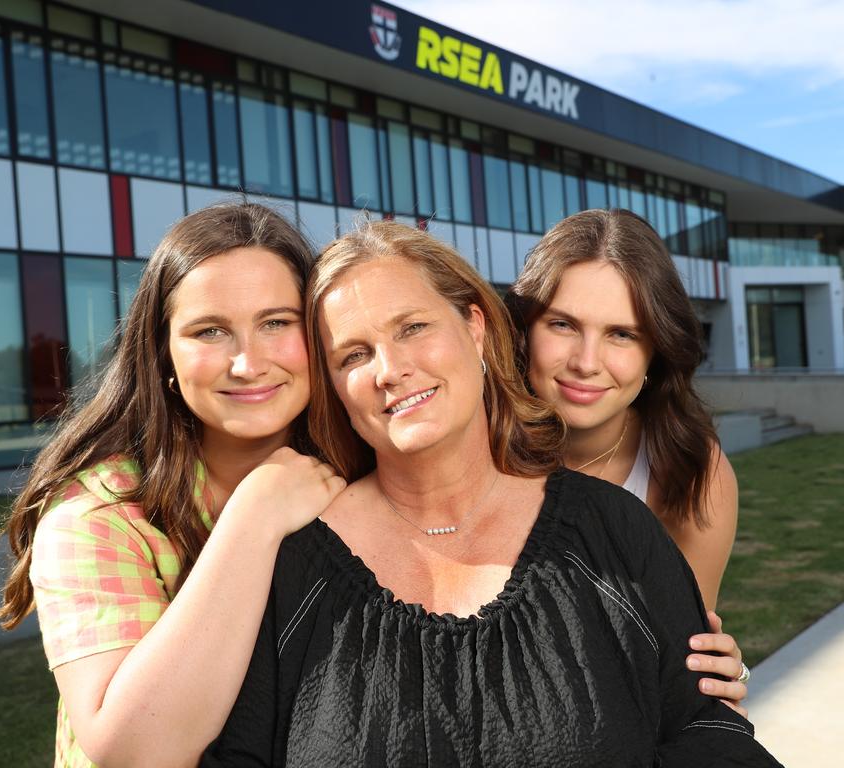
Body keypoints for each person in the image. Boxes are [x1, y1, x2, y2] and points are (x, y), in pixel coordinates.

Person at [201, 221, 780, 766]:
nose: (390, 369)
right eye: (353, 354)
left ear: (475, 327)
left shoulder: (619, 527)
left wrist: (717, 670)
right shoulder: (291, 564)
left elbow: (705, 727)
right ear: (332, 387)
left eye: (413, 327)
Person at [0, 202, 345, 768]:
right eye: (210, 331)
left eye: (276, 322)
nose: (247, 362)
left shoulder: (356, 474)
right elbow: (136, 751)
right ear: (165, 355)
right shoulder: (96, 514)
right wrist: (254, 515)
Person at [511, 208, 747, 708]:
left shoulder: (691, 471)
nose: (586, 362)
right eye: (562, 324)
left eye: (622, 333)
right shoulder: (475, 447)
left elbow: (682, 666)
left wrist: (720, 679)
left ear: (654, 353)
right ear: (524, 329)